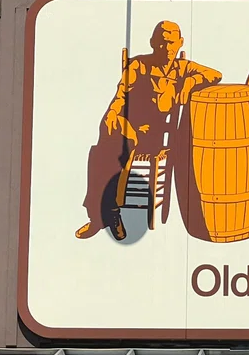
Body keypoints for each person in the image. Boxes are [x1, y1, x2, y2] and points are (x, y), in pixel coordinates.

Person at [75, 20, 222, 240]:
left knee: (114, 149)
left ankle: (107, 214)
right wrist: (112, 114)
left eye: (171, 42)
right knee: (102, 148)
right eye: (162, 42)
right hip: (130, 126)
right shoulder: (139, 65)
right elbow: (121, 94)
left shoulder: (183, 69)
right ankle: (101, 215)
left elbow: (215, 74)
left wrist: (191, 82)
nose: (167, 48)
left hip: (156, 136)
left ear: (180, 43)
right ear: (153, 43)